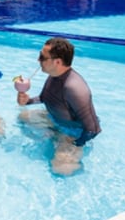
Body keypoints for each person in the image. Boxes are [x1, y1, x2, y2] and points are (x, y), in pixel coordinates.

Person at [17, 37, 101, 175]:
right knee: (23, 116)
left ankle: (60, 143)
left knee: (61, 169)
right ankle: (52, 135)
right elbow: (44, 98)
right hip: (55, 119)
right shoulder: (54, 75)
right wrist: (28, 101)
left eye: (42, 57)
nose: (38, 60)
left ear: (57, 62)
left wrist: (75, 144)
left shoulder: (75, 88)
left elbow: (94, 129)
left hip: (72, 132)